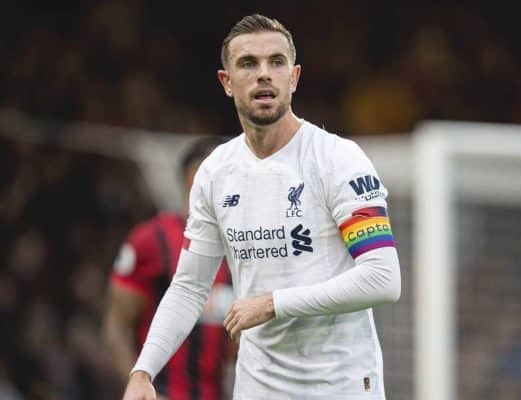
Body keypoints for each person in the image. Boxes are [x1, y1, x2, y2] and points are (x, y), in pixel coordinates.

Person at [123, 13, 401, 400]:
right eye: (248, 64)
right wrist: (143, 372)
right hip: (258, 387)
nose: (264, 74)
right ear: (227, 82)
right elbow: (189, 286)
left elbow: (382, 279)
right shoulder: (215, 173)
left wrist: (274, 304)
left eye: (276, 62)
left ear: (295, 77)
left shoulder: (338, 159)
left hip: (341, 385)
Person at [104, 136, 235, 400]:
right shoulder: (151, 240)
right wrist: (138, 385)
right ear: (190, 181)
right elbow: (117, 327)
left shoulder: (242, 246)